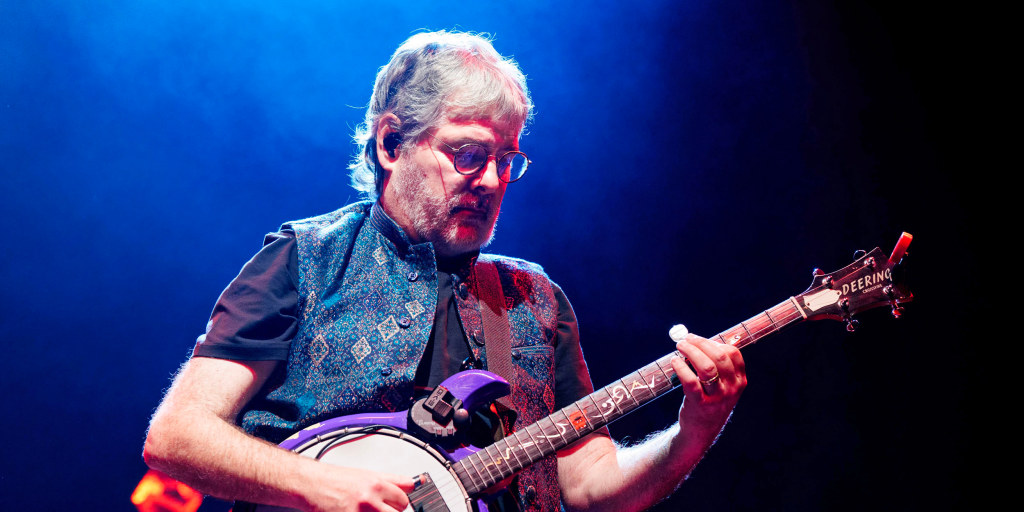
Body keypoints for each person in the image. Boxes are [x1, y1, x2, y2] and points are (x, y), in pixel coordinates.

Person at [143, 30, 746, 512]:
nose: (489, 180)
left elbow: (590, 487)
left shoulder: (538, 302)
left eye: (506, 160)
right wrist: (317, 484)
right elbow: (177, 437)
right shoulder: (304, 259)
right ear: (390, 144)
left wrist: (693, 431)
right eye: (467, 153)